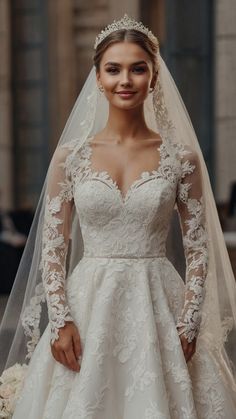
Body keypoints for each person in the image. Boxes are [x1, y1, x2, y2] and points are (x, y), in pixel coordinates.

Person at [0, 14, 236, 419]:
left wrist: (190, 320)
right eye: (113, 69)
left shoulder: (182, 159)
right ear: (97, 77)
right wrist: (60, 320)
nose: (125, 80)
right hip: (88, 305)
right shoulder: (70, 158)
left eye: (137, 68)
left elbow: (198, 249)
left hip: (159, 306)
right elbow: (53, 248)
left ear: (154, 76)